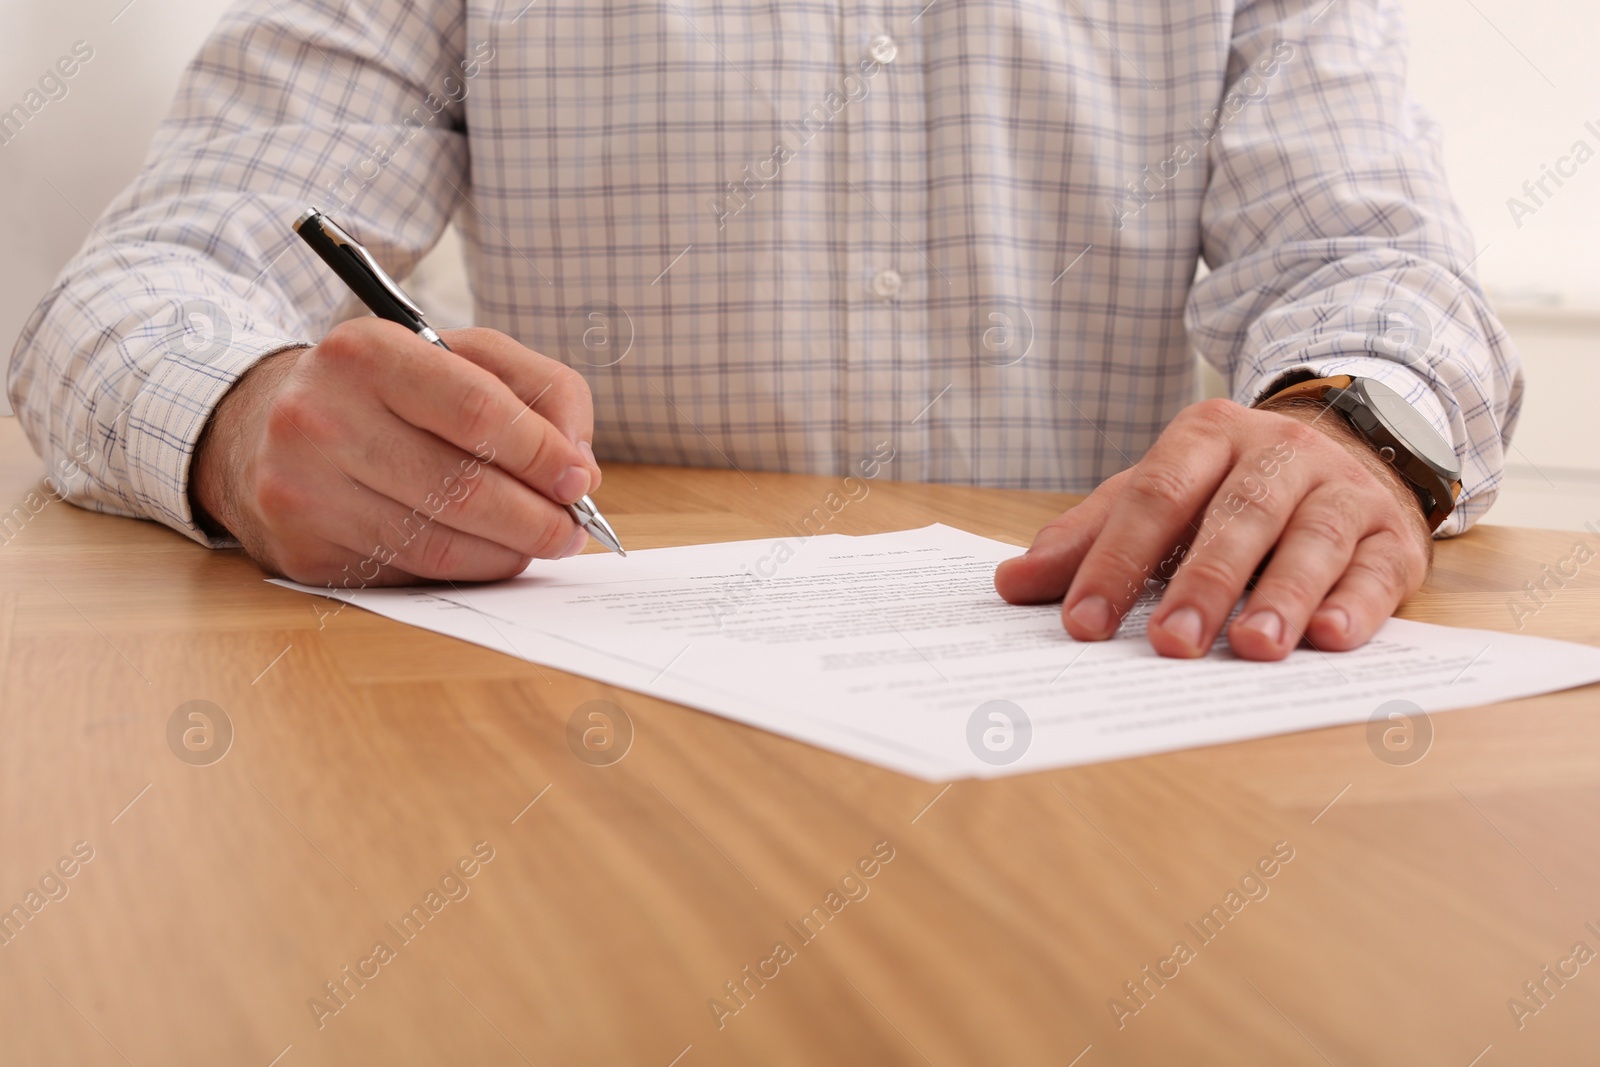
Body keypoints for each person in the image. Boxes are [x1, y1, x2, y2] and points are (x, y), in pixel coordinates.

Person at [7, 0, 1521, 662]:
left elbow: (1373, 257)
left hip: (1090, 709)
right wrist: (244, 415)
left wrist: (1351, 429)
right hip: (564, 744)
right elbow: (127, 293)